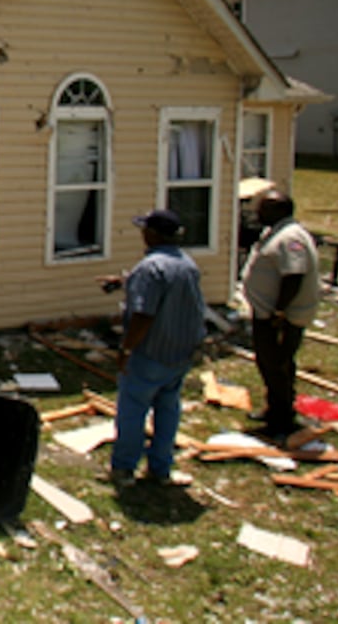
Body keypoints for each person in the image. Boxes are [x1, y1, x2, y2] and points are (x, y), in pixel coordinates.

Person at [98, 208, 207, 487]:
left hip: (150, 353)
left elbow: (144, 313)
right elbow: (166, 288)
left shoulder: (150, 268)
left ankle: (123, 469)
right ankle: (160, 467)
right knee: (168, 409)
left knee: (133, 411)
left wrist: (126, 348)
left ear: (153, 234)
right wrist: (124, 282)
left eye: (145, 229)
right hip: (180, 352)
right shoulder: (187, 264)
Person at [241, 189, 321, 444]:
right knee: (270, 363)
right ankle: (274, 408)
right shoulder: (274, 232)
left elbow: (294, 276)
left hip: (281, 317)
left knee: (277, 364)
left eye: (264, 208)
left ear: (279, 211)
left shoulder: (290, 238)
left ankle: (281, 420)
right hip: (267, 313)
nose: (257, 213)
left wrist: (279, 311)